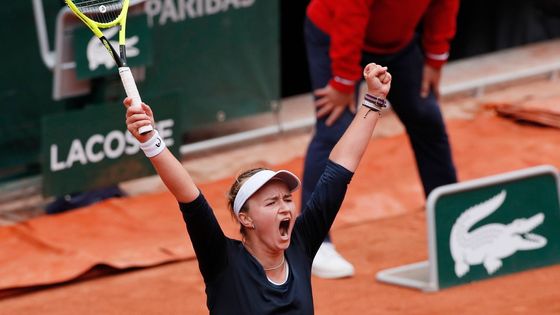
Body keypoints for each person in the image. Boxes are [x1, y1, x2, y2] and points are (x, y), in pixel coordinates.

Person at [124, 63, 391, 314]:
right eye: (271, 202)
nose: (285, 207)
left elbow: (339, 170)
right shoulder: (224, 261)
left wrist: (374, 100)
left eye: (286, 198)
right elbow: (190, 198)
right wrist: (150, 140)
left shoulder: (300, 245)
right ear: (245, 218)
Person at [303, 0, 460, 279]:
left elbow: (445, 4)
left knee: (427, 118)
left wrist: (436, 57)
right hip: (335, 31)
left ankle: (453, 221)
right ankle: (312, 243)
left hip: (396, 46)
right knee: (333, 129)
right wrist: (342, 80)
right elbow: (350, 12)